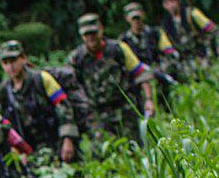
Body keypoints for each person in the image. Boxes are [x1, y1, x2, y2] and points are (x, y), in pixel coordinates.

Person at [67, 13, 156, 141]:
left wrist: (148, 99)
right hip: (97, 114)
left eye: (93, 33)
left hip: (124, 109)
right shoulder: (76, 58)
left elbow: (140, 73)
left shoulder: (118, 49)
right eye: (87, 34)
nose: (91, 37)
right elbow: (72, 87)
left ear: (101, 29)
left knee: (134, 148)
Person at [0, 39, 80, 163]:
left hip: (56, 142)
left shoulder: (41, 79)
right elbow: (4, 124)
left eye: (13, 61)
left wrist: (68, 139)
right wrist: (16, 149)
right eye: (5, 63)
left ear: (23, 58)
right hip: (30, 152)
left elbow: (64, 108)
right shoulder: (4, 91)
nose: (10, 66)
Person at [120, 1, 183, 99]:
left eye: (138, 18)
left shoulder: (156, 33)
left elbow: (170, 53)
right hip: (139, 80)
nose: (136, 21)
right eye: (133, 19)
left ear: (143, 15)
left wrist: (162, 69)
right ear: (127, 19)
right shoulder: (123, 41)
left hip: (161, 73)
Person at [159, 0, 219, 64]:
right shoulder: (166, 24)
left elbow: (213, 30)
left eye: (172, 2)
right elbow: (168, 49)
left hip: (203, 52)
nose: (170, 6)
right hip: (186, 59)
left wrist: (217, 47)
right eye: (166, 3)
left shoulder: (192, 13)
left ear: (178, 2)